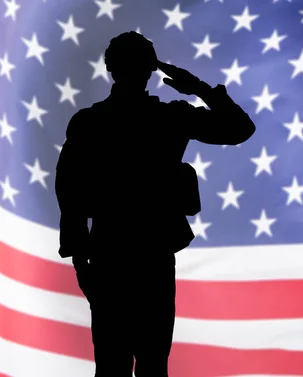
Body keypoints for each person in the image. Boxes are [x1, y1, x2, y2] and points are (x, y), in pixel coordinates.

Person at [54, 31, 256, 377]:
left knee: (115, 363)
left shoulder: (91, 121)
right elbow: (239, 127)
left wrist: (79, 257)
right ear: (150, 71)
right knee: (148, 362)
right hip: (147, 253)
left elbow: (69, 191)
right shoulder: (170, 117)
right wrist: (199, 89)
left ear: (111, 70)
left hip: (113, 251)